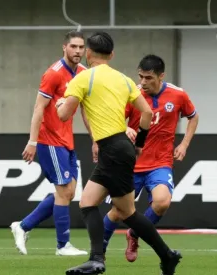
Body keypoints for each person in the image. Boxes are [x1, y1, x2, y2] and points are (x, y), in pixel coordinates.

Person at [56, 32, 182, 275]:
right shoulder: (124, 80)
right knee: (90, 203)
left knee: (125, 212)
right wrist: (139, 144)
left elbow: (63, 115)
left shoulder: (83, 78)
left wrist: (61, 103)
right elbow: (146, 114)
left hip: (112, 149)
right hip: (119, 148)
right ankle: (160, 256)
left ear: (89, 54)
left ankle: (102, 259)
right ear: (111, 55)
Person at [102, 54, 199, 262]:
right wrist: (126, 127)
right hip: (131, 163)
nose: (143, 82)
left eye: (148, 78)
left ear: (161, 76)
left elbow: (193, 116)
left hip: (160, 162)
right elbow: (114, 118)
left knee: (162, 202)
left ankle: (134, 234)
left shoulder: (178, 95)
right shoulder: (132, 95)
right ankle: (98, 250)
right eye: (141, 77)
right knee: (118, 212)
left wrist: (184, 144)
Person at [10, 31, 88, 256]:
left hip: (67, 142)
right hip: (49, 140)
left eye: (81, 47)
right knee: (64, 191)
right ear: (64, 47)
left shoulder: (83, 73)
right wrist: (32, 141)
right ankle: (63, 245)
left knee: (69, 192)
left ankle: (23, 226)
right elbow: (38, 108)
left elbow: (85, 111)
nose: (77, 51)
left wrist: (95, 139)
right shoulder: (53, 74)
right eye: (73, 46)